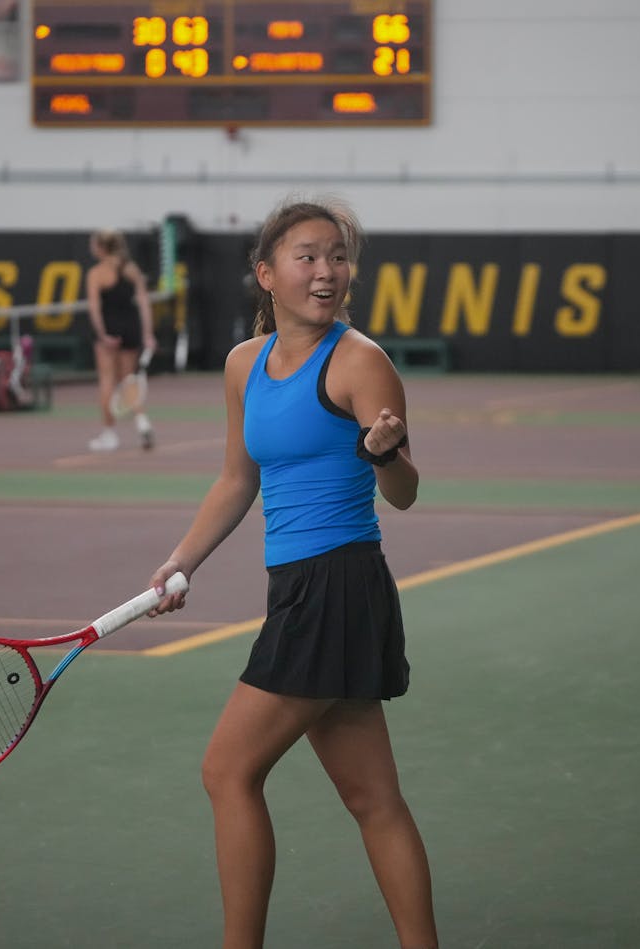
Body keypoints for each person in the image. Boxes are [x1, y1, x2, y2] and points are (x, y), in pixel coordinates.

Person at [146, 197, 439, 949]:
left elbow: (404, 492)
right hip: (304, 588)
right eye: (307, 256)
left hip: (337, 586)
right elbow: (236, 481)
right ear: (266, 273)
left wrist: (384, 453)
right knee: (374, 797)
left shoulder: (360, 361)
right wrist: (181, 562)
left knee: (226, 771)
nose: (327, 271)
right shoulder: (244, 365)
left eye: (338, 256)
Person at [85, 228, 157, 452]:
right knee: (129, 381)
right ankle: (142, 421)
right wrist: (147, 334)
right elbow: (144, 304)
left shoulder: (96, 274)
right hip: (131, 329)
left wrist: (103, 334)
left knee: (107, 381)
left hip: (111, 330)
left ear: (100, 247)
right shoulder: (131, 270)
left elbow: (95, 308)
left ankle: (109, 434)